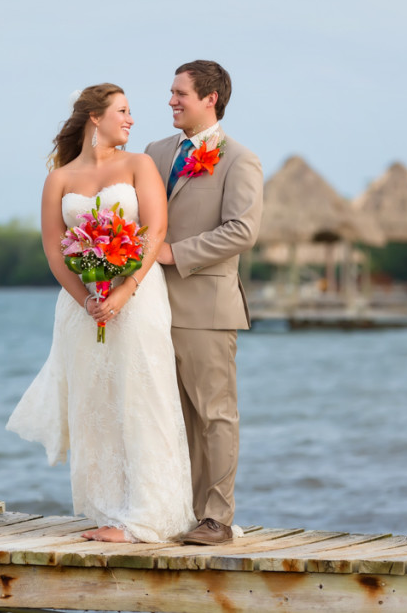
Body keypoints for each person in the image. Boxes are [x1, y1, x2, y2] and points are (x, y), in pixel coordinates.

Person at [6, 84, 195, 543]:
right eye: (123, 111)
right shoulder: (59, 179)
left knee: (142, 394)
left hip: (138, 295)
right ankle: (108, 513)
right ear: (95, 116)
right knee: (95, 402)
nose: (131, 120)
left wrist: (124, 290)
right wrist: (85, 299)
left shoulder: (139, 165)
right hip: (82, 305)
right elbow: (54, 248)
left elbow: (155, 229)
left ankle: (152, 513)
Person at [145, 61, 263, 545]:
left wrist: (177, 253)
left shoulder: (239, 159)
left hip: (207, 308)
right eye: (171, 93)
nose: (171, 101)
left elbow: (243, 230)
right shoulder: (153, 152)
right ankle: (178, 511)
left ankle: (217, 519)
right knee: (167, 415)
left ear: (210, 98)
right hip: (149, 306)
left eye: (180, 93)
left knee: (214, 414)